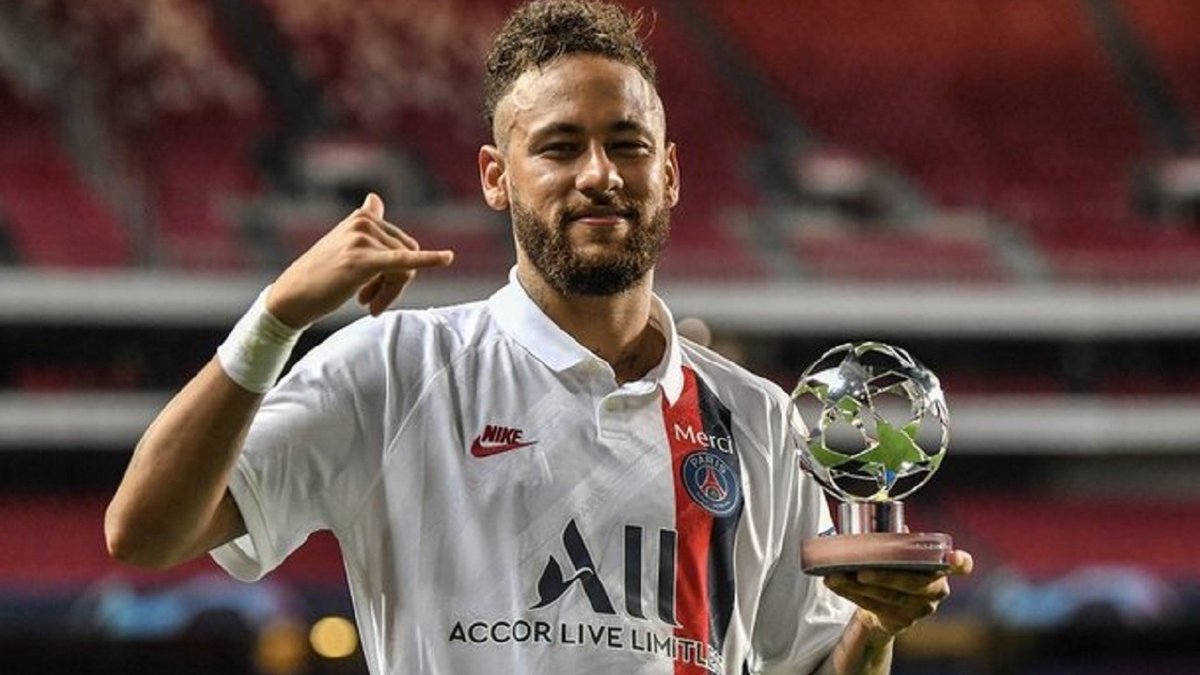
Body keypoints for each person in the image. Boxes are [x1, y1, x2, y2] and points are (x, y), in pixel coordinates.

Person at [105, 1, 972, 673]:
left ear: (669, 173)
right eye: (560, 147)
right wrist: (275, 319)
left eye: (627, 145)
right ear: (497, 176)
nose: (600, 175)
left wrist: (875, 628)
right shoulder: (398, 371)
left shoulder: (759, 421)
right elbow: (142, 532)